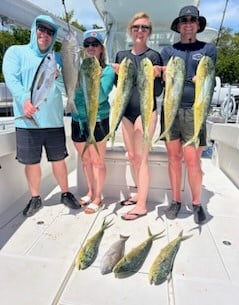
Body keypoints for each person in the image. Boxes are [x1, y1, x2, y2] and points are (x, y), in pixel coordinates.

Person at [2, 15, 81, 217]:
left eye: (50, 32)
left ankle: (65, 193)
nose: (45, 34)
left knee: (59, 160)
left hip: (53, 120)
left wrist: (59, 76)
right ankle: (35, 197)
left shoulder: (55, 58)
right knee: (32, 162)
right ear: (34, 29)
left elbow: (65, 86)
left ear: (54, 37)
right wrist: (25, 102)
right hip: (27, 121)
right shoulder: (16, 52)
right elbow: (11, 79)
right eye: (41, 29)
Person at [160, 6, 217, 224]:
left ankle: (196, 202)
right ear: (179, 25)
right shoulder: (168, 52)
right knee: (174, 159)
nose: (188, 23)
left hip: (195, 111)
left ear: (198, 24)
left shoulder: (209, 49)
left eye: (192, 20)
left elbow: (208, 79)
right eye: (184, 20)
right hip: (170, 110)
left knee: (193, 161)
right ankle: (175, 201)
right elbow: (162, 80)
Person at [112, 12, 163, 221]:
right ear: (130, 31)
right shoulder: (121, 55)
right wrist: (117, 74)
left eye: (144, 27)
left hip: (145, 112)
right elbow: (119, 88)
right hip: (126, 113)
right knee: (132, 156)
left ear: (149, 32)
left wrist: (159, 75)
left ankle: (141, 205)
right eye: (136, 27)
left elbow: (158, 92)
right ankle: (137, 193)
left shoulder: (154, 56)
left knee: (142, 158)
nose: (139, 31)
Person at [71, 30, 115, 214]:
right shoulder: (76, 68)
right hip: (78, 119)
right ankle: (90, 191)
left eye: (94, 44)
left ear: (101, 48)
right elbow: (65, 87)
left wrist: (92, 74)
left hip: (98, 120)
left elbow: (102, 94)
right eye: (87, 44)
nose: (90, 47)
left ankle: (98, 197)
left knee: (98, 161)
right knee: (86, 160)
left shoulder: (107, 70)